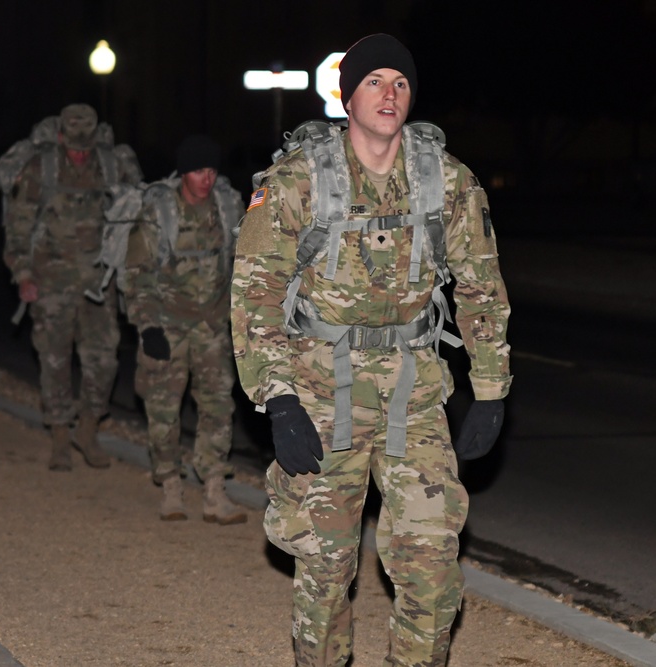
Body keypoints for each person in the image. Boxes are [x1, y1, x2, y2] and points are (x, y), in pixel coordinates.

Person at [230, 34, 512, 666]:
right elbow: (255, 296)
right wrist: (277, 400)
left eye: (401, 83)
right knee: (325, 568)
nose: (390, 95)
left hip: (415, 394)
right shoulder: (297, 179)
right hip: (320, 392)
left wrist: (491, 391)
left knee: (432, 566)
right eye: (375, 82)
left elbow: (481, 287)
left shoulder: (448, 180)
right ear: (348, 96)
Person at [1, 103, 142, 471]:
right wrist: (23, 275)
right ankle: (60, 435)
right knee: (54, 360)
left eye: (86, 146)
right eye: (74, 145)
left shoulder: (112, 166)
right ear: (61, 136)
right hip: (51, 282)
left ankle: (89, 428)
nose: (80, 152)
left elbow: (136, 220)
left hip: (99, 283)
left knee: (103, 360)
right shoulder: (40, 168)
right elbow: (18, 226)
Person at [119, 135, 247, 524]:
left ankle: (213, 488)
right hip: (167, 323)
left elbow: (241, 264)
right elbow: (135, 274)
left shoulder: (228, 207)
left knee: (218, 406)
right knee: (163, 409)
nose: (205, 179)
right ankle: (171, 483)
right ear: (183, 173)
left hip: (211, 325)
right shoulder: (159, 212)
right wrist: (147, 327)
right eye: (197, 171)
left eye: (211, 170)